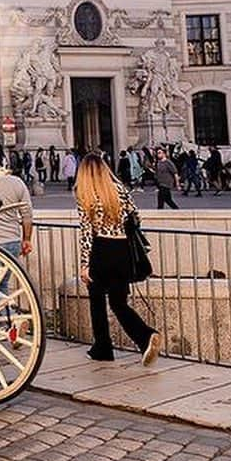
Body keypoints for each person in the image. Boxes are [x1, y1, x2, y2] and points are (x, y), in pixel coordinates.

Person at [76, 152, 160, 364]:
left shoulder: (85, 193)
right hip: (123, 248)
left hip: (101, 249)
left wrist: (84, 264)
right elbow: (136, 218)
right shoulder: (120, 190)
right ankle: (145, 336)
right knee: (119, 302)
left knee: (97, 300)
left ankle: (103, 347)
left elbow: (86, 232)